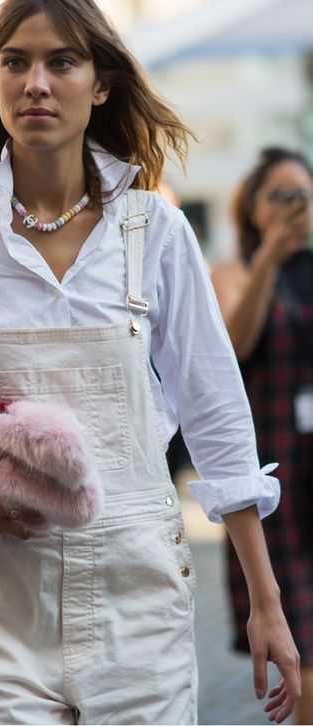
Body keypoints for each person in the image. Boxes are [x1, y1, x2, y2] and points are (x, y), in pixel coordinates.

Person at [0, 2, 301, 723]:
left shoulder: (156, 230)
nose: (36, 83)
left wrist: (268, 606)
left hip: (137, 592)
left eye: (62, 62)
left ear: (101, 85)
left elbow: (219, 422)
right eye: (15, 62)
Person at [211, 146, 313, 725]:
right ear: (252, 209)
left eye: (303, 195)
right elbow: (233, 348)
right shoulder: (232, 273)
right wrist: (271, 257)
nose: (294, 207)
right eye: (281, 196)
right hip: (277, 476)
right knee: (303, 631)